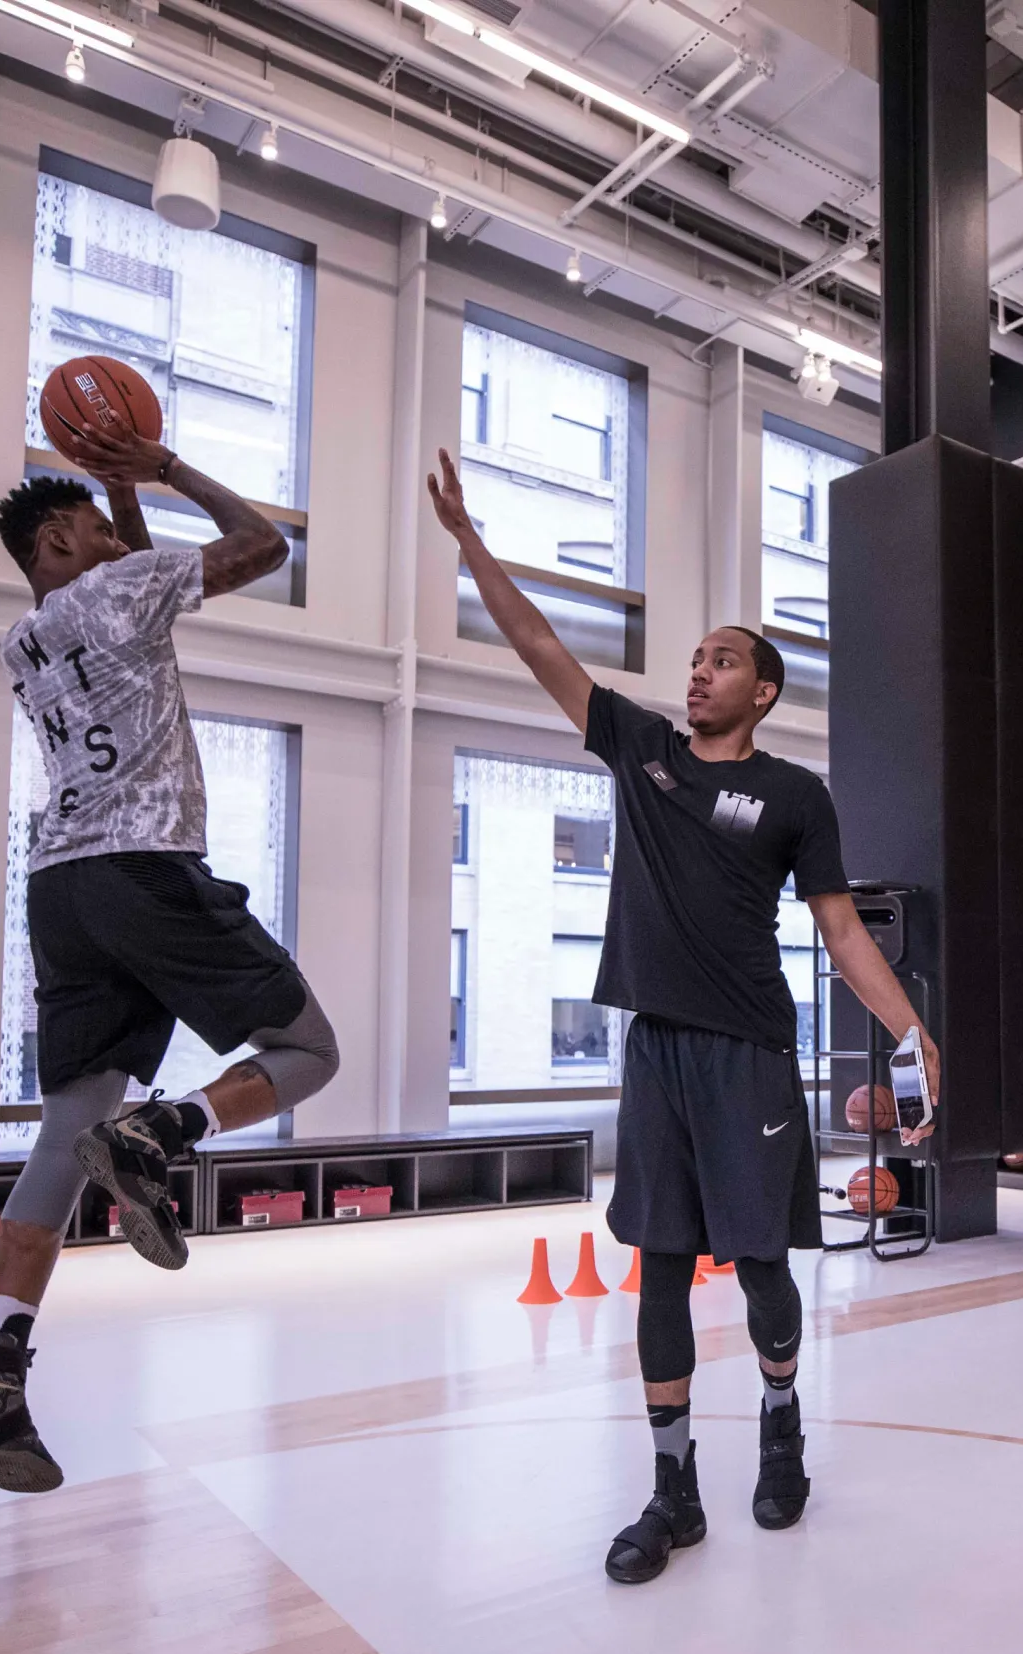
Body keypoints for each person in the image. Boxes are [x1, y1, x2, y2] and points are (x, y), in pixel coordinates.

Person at [422, 448, 939, 1584]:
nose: (699, 673)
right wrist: (472, 547)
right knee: (658, 1265)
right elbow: (543, 647)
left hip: (749, 1050)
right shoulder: (644, 752)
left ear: (764, 691)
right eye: (696, 659)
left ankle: (783, 1423)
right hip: (654, 1050)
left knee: (760, 1268)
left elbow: (846, 933)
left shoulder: (797, 797)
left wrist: (912, 1032)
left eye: (723, 661)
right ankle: (672, 1491)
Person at [0, 413, 336, 1493]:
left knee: (64, 1126)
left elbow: (133, 573)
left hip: (61, 887)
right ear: (56, 543)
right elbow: (260, 546)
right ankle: (162, 1132)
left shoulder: (30, 635)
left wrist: (123, 510)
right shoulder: (116, 591)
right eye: (93, 526)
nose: (115, 534)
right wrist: (165, 469)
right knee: (308, 1048)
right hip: (141, 866)